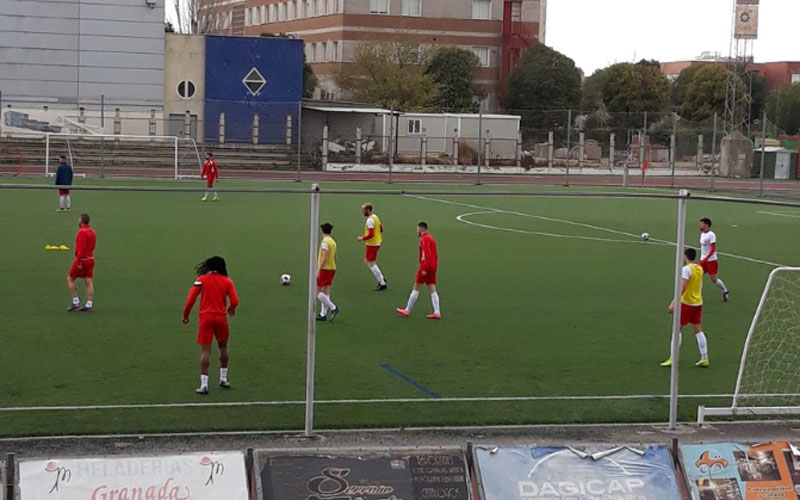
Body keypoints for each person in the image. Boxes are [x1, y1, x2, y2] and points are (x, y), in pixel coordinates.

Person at [182, 256, 239, 395]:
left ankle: (204, 385)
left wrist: (186, 314)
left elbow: (191, 299)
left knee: (205, 351)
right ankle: (223, 378)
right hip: (221, 318)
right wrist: (231, 309)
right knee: (223, 347)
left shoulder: (201, 280)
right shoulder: (227, 281)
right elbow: (235, 300)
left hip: (205, 319)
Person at [661, 248, 709, 368]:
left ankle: (673, 358)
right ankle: (704, 357)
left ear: (685, 257)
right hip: (698, 303)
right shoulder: (699, 268)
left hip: (687, 304)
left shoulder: (686, 270)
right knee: (698, 331)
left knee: (677, 330)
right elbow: (700, 285)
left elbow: (682, 287)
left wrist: (674, 303)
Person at [396, 222, 441, 320]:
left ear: (421, 229)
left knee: (416, 287)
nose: (416, 231)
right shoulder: (431, 238)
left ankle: (407, 310)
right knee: (432, 288)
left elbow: (427, 254)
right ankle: (437, 312)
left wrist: (424, 268)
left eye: (417, 229)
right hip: (433, 267)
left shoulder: (424, 239)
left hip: (426, 266)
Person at [66, 213, 96, 312]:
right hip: (91, 259)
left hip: (82, 260)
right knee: (88, 281)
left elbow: (81, 250)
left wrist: (78, 261)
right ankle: (89, 304)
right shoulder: (92, 232)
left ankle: (75, 302)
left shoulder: (82, 232)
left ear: (81, 221)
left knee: (70, 278)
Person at [357, 203, 387, 291]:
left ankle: (382, 282)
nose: (362, 212)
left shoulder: (370, 220)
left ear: (368, 210)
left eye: (363, 210)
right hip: (376, 242)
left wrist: (362, 238)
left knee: (370, 263)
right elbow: (381, 229)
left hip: (372, 244)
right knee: (370, 262)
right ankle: (381, 278)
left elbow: (371, 234)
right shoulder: (376, 217)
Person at [699, 217, 730, 302]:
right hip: (703, 260)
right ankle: (698, 295)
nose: (700, 225)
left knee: (714, 279)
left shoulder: (711, 235)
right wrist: (703, 258)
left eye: (701, 224)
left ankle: (725, 291)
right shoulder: (702, 234)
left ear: (706, 225)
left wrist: (707, 258)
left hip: (711, 260)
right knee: (698, 276)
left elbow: (713, 249)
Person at [316, 222, 340, 322]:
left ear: (322, 231)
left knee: (317, 292)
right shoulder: (333, 242)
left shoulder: (325, 242)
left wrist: (319, 269)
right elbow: (335, 256)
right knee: (326, 292)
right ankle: (323, 314)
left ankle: (333, 308)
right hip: (332, 268)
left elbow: (325, 257)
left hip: (325, 269)